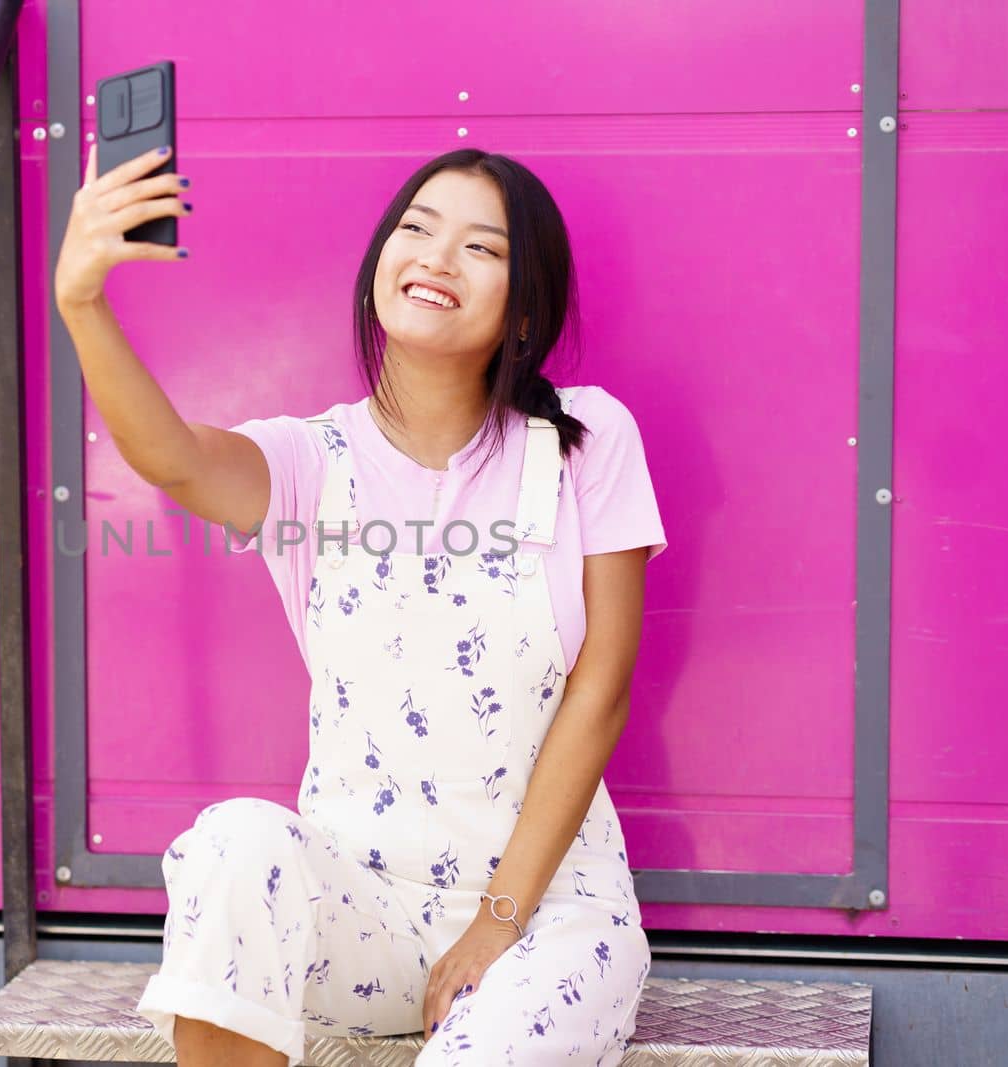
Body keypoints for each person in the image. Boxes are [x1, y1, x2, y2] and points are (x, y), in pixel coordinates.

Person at [54, 142, 666, 1067]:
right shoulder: (311, 462)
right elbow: (173, 456)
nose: (436, 257)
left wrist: (498, 920)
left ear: (526, 309)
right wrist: (83, 302)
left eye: (481, 248)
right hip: (361, 906)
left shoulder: (585, 441)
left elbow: (602, 688)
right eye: (417, 229)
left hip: (548, 913)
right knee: (234, 844)